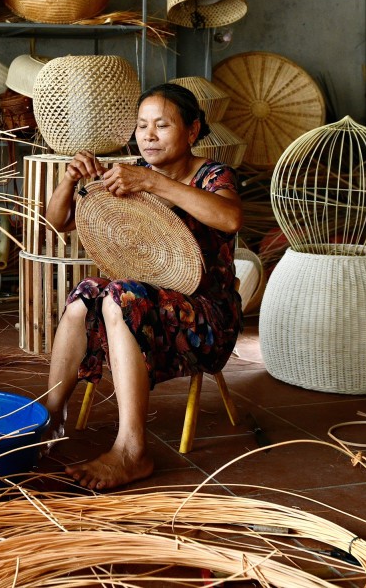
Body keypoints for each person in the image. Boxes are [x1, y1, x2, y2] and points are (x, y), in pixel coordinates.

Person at [43, 82, 243, 490]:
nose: (148, 135)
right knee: (87, 293)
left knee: (120, 297)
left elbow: (229, 219)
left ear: (192, 130)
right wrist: (70, 180)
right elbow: (59, 222)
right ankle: (49, 419)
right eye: (141, 125)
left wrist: (152, 183)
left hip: (205, 320)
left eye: (162, 125)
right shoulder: (132, 174)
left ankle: (131, 451)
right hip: (141, 310)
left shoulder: (213, 175)